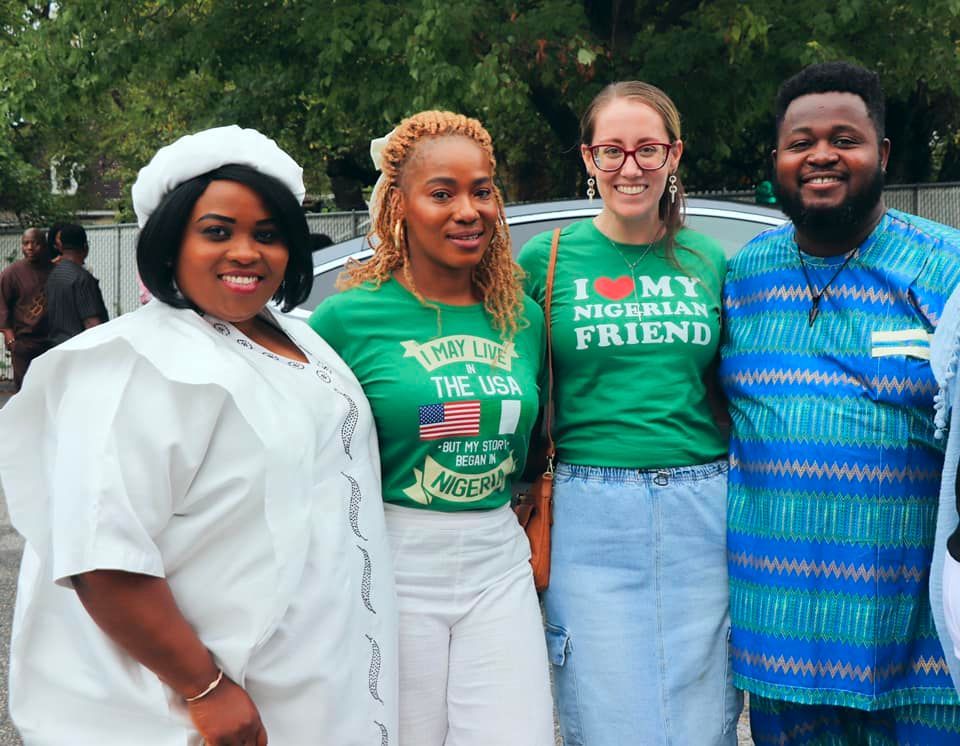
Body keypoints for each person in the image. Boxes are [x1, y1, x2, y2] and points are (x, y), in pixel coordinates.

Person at [1, 125, 398, 745]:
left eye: (267, 234)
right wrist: (205, 689)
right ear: (169, 243)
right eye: (217, 232)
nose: (247, 251)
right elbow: (100, 554)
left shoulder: (302, 338)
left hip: (311, 684)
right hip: (200, 704)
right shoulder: (133, 361)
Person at [721, 61, 960, 743]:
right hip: (782, 644)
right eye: (800, 142)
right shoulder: (743, 277)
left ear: (882, 154)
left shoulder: (947, 268)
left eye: (844, 139)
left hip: (923, 651)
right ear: (776, 161)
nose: (821, 155)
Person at [309, 111, 554, 746]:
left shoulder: (523, 319)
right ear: (399, 204)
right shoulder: (346, 320)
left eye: (482, 190)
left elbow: (533, 446)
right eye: (442, 192)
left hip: (498, 560)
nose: (468, 209)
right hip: (393, 562)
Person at [517, 82, 739, 746]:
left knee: (705, 714)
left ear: (674, 155)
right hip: (589, 514)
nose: (630, 167)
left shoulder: (708, 260)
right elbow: (516, 387)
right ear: (588, 158)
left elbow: (732, 387)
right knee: (603, 711)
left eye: (647, 149)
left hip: (702, 509)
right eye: (611, 150)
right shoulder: (546, 260)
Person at [0, 228, 54, 389]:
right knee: (25, 391)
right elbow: (2, 305)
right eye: (26, 243)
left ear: (44, 246)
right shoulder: (11, 273)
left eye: (35, 243)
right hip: (24, 343)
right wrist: (10, 338)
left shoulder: (54, 271)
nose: (30, 247)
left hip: (50, 342)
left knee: (47, 389)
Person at [45, 223, 109, 345]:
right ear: (85, 247)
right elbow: (92, 324)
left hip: (57, 348)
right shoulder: (83, 279)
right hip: (80, 349)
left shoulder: (53, 276)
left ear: (61, 247)